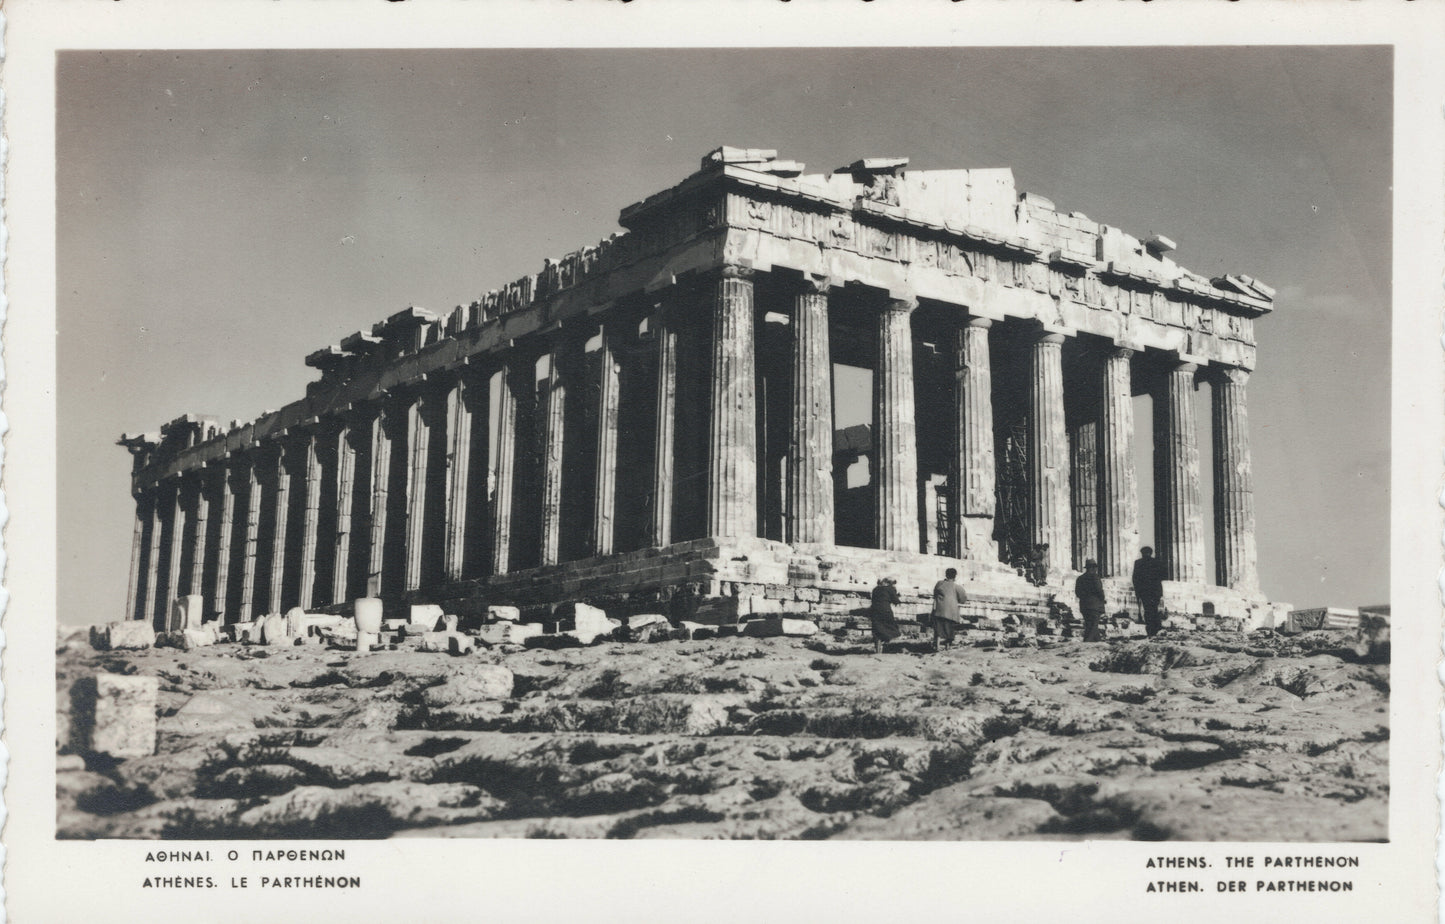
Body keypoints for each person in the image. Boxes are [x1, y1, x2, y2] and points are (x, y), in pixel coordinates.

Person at [931, 567, 969, 651]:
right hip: (951, 613)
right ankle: (947, 646)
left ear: (946, 575)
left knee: (938, 629)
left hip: (939, 611)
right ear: (955, 576)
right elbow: (963, 599)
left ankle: (937, 645)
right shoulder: (958, 587)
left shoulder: (939, 584)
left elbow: (935, 594)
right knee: (949, 630)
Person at [1132, 546, 1165, 637]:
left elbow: (1135, 578)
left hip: (1145, 591)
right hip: (1154, 591)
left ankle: (1152, 628)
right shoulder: (1156, 562)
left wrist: (1137, 591)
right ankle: (1155, 628)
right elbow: (1161, 576)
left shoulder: (1138, 563)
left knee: (1148, 610)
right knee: (1153, 609)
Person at [1074, 559, 1107, 642]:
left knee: (1089, 626)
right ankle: (1087, 642)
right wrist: (1102, 599)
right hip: (1095, 606)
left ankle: (1097, 643)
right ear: (1092, 568)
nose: (1096, 569)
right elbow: (1099, 591)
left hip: (1084, 606)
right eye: (1095, 568)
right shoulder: (1095, 578)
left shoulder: (1080, 578)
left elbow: (1077, 593)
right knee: (1093, 626)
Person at [868, 577, 902, 654]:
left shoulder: (875, 589)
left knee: (877, 630)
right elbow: (896, 601)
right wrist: (898, 596)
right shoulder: (890, 589)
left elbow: (874, 600)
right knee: (890, 628)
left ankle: (878, 650)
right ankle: (886, 642)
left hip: (875, 611)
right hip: (885, 611)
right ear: (889, 583)